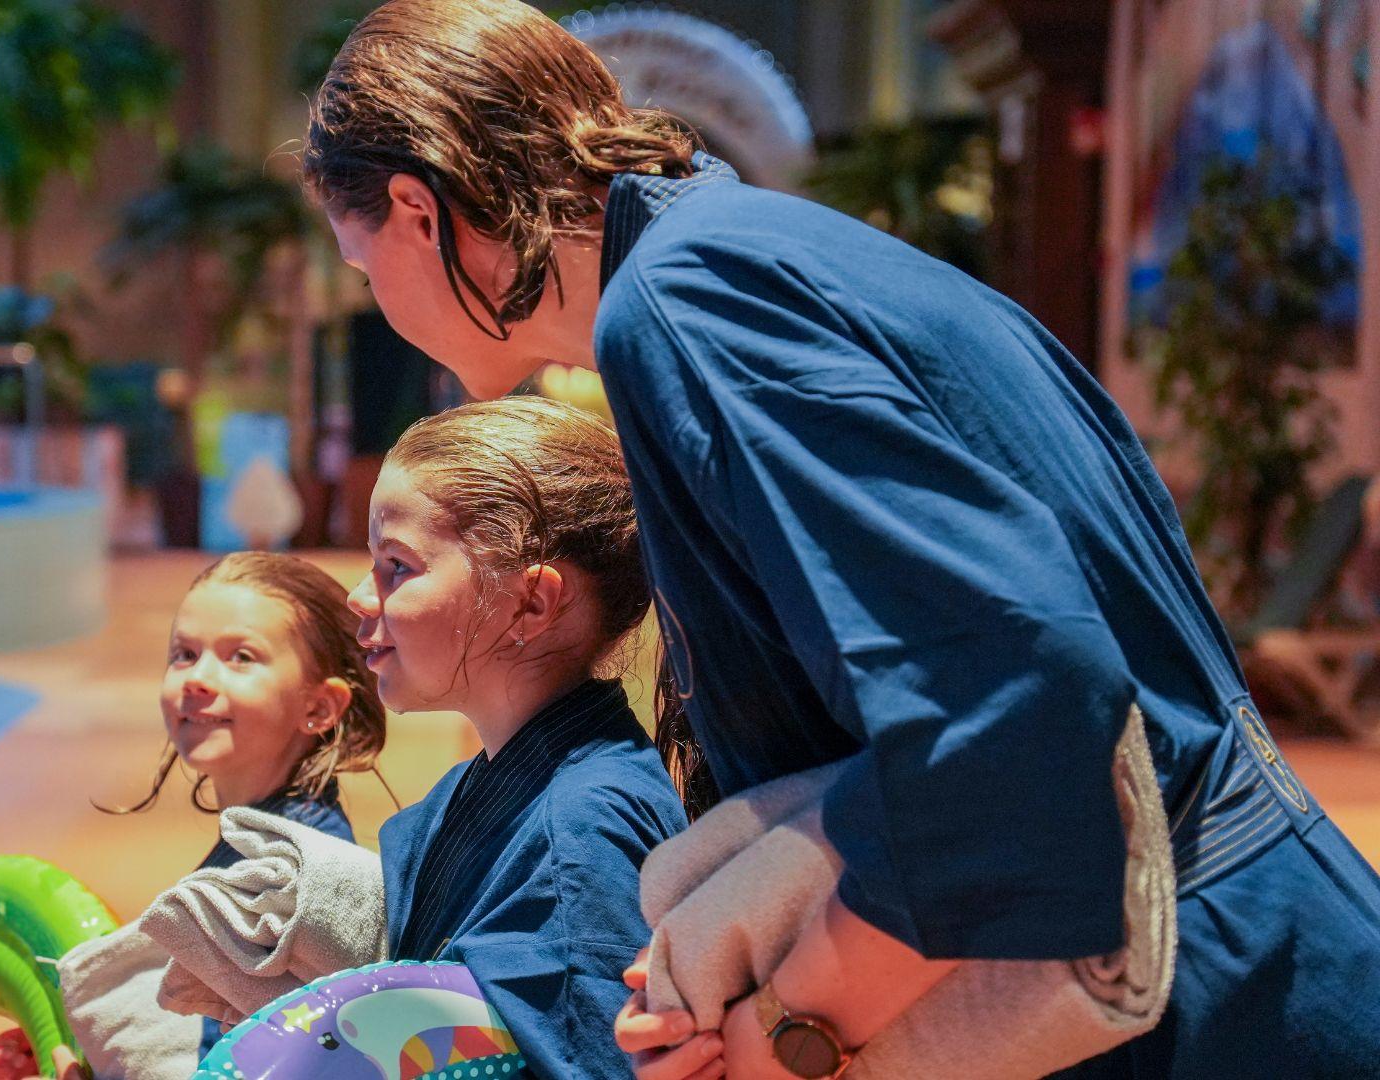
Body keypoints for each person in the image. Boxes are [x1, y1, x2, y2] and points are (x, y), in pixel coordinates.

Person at [304, 3, 1380, 1078]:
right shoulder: (749, 250)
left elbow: (1009, 702)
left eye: (361, 267)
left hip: (1215, 998)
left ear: (418, 209)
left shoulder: (688, 301)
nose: (379, 303)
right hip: (1243, 938)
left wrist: (794, 1028)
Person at [349, 396, 691, 1078]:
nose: (360, 596)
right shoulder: (481, 788)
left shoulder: (580, 828)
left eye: (397, 567)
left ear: (531, 603)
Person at [0, 551, 390, 1080]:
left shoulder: (289, 892)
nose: (197, 678)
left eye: (241, 656)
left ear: (317, 708)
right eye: (184, 654)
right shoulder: (256, 854)